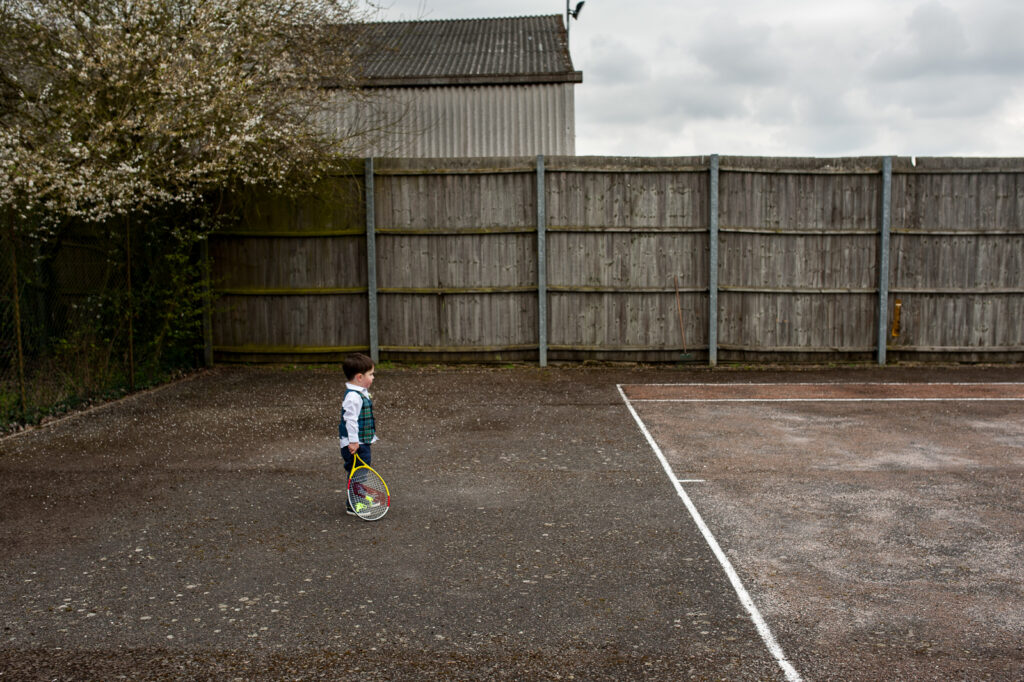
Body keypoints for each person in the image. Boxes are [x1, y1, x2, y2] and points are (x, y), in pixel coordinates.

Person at [339, 353, 378, 515]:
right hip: (356, 444)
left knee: (361, 472)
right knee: (358, 474)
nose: (373, 377)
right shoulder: (353, 397)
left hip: (362, 442)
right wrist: (354, 442)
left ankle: (359, 496)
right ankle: (354, 505)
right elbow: (351, 421)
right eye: (371, 374)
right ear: (360, 377)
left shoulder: (360, 392)